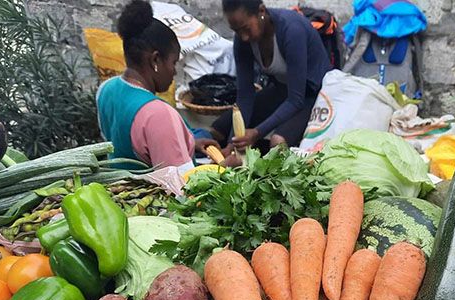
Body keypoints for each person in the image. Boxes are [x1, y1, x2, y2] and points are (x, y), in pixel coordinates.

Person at [96, 0, 217, 173]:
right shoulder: (158, 114)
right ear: (155, 60)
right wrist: (226, 168)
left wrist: (189, 142)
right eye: (173, 63)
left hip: (123, 189)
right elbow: (183, 189)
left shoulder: (106, 89)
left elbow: (129, 143)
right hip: (154, 197)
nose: (174, 72)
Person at [212, 0, 332, 163]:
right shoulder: (242, 40)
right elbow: (245, 96)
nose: (243, 37)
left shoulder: (292, 31)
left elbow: (296, 100)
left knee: (277, 142)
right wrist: (233, 143)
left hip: (311, 95)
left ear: (261, 11)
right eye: (237, 31)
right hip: (281, 90)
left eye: (246, 29)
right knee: (218, 129)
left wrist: (256, 132)